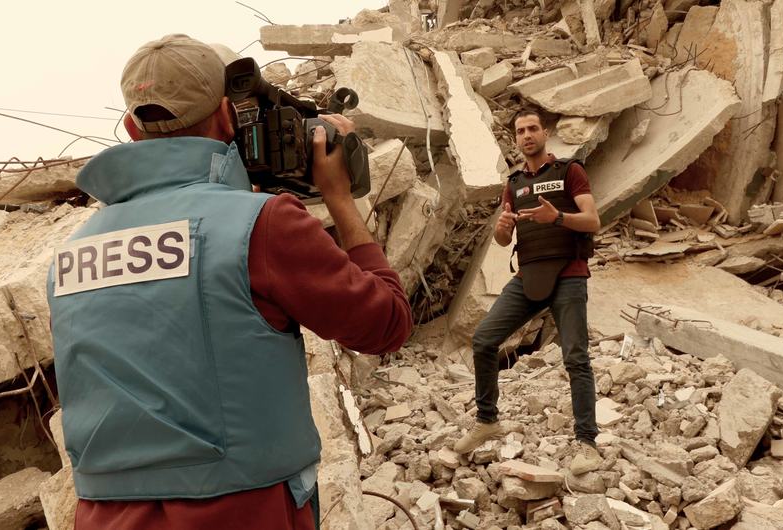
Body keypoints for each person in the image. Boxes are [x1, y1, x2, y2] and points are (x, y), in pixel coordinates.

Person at [46, 34, 412, 530]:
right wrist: (340, 199)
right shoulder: (263, 225)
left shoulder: (71, 253)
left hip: (103, 515)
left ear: (131, 127)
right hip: (244, 511)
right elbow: (387, 324)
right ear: (226, 115)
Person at [452, 108, 602, 470]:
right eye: (520, 131)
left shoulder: (569, 171)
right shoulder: (515, 184)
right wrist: (502, 228)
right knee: (484, 339)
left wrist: (558, 217)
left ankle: (587, 443)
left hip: (569, 273)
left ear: (545, 133)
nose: (527, 135)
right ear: (516, 139)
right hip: (528, 275)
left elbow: (593, 220)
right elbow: (504, 240)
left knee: (576, 358)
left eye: (533, 128)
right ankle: (487, 420)